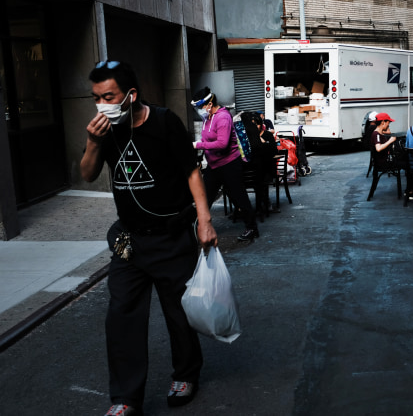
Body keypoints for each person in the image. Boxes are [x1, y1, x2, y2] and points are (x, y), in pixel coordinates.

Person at [81, 61, 217, 416]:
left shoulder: (162, 122)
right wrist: (93, 142)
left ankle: (186, 374)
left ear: (130, 95)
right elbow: (87, 172)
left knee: (178, 312)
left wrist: (204, 220)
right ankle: (125, 398)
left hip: (171, 237)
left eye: (108, 97)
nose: (101, 105)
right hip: (129, 241)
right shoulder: (105, 130)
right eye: (95, 98)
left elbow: (191, 171)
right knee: (121, 315)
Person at [191, 87, 259, 242]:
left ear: (209, 104)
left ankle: (252, 228)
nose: (199, 110)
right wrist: (200, 149)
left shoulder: (223, 117)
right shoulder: (207, 118)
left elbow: (222, 144)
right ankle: (199, 227)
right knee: (205, 197)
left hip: (229, 164)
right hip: (214, 166)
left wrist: (197, 145)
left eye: (200, 107)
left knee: (239, 196)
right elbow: (207, 140)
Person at [241, 111, 278, 218]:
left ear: (260, 125)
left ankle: (262, 205)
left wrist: (264, 143)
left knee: (260, 181)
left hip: (267, 169)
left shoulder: (267, 135)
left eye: (256, 124)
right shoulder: (248, 138)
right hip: (253, 170)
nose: (255, 127)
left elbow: (273, 151)